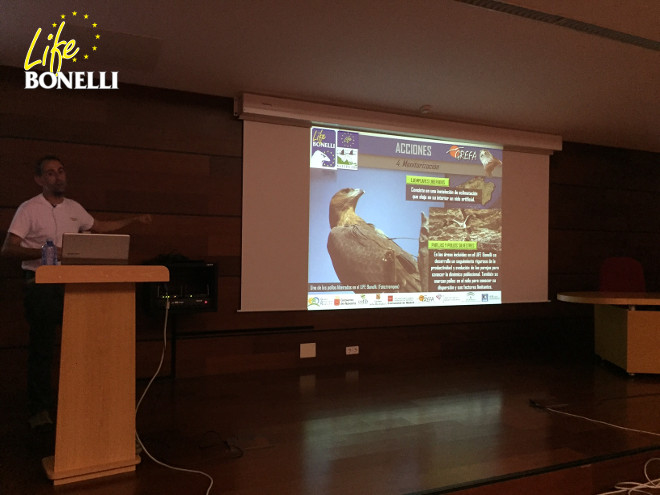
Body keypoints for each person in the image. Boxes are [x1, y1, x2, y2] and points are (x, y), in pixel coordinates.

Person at [1, 155, 151, 431]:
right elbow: (8, 248)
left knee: (83, 344)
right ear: (39, 180)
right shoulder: (29, 208)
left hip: (74, 283)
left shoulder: (74, 208)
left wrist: (133, 219)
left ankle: (83, 402)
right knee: (42, 347)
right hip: (41, 283)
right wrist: (46, 252)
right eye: (50, 173)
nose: (58, 177)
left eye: (61, 171)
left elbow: (100, 227)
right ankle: (39, 410)